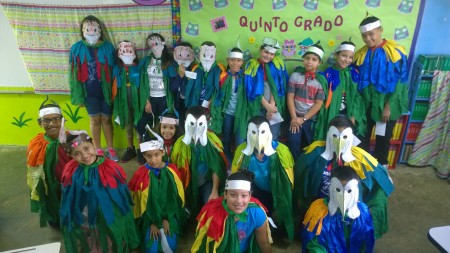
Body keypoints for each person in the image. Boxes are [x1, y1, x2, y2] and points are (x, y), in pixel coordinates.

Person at [293, 116, 394, 239]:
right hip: (321, 211)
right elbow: (301, 181)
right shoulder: (315, 154)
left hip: (348, 215)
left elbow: (378, 187)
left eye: (344, 137)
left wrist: (365, 213)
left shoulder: (361, 161)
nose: (339, 142)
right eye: (335, 136)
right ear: (328, 135)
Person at [60, 131, 140, 253]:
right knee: (91, 235)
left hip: (108, 213)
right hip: (86, 214)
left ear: (93, 144)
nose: (85, 155)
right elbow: (70, 197)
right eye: (77, 153)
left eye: (87, 148)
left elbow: (120, 195)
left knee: (110, 234)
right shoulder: (72, 171)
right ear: (71, 156)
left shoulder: (111, 168)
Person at [354, 15, 408, 167]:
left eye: (371, 34)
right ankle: (362, 168)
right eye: (364, 35)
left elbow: (400, 83)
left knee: (382, 139)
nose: (368, 38)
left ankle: (381, 171)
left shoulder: (395, 53)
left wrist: (388, 106)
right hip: (365, 106)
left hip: (385, 107)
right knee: (361, 137)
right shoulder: (361, 54)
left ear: (380, 30)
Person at [231, 115, 295, 242]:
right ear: (248, 133)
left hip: (277, 192)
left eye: (263, 132)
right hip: (256, 191)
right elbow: (235, 177)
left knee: (277, 226)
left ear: (269, 132)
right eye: (254, 132)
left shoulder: (281, 151)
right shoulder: (242, 151)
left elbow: (288, 182)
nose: (259, 137)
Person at [68, 15, 118, 161]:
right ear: (82, 30)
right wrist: (79, 94)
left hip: (106, 91)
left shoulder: (108, 47)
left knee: (107, 119)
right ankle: (98, 149)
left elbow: (115, 71)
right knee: (95, 120)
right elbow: (73, 73)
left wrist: (116, 91)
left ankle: (111, 148)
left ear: (100, 30)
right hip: (89, 92)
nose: (91, 31)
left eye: (94, 28)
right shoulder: (77, 48)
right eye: (87, 28)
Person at [128, 128, 185, 253]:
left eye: (156, 155)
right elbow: (139, 204)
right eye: (148, 156)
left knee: (169, 248)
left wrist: (167, 218)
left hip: (169, 215)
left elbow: (175, 200)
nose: (153, 160)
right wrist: (151, 223)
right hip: (149, 219)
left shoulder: (172, 171)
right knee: (151, 249)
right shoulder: (140, 175)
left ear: (163, 152)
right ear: (143, 155)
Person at [191, 171, 272, 253]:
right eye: (233, 195)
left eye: (244, 195)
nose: (239, 201)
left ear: (250, 196)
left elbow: (263, 243)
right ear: (225, 194)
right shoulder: (212, 214)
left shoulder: (256, 212)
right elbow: (206, 246)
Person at [301, 166, 375, 252]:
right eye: (338, 190)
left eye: (349, 191)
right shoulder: (318, 211)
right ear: (331, 189)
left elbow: (366, 241)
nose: (344, 196)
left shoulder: (362, 212)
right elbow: (312, 243)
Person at [171, 106, 227, 217]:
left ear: (206, 123)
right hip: (188, 185)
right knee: (185, 215)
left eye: (200, 124)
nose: (196, 128)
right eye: (192, 124)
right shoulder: (179, 145)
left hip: (206, 183)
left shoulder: (212, 142)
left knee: (211, 208)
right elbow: (176, 171)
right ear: (185, 122)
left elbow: (216, 167)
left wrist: (214, 190)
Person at [26, 97, 71, 228]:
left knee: (69, 201)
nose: (51, 124)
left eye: (56, 119)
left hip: (69, 182)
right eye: (46, 120)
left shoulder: (71, 138)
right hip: (49, 184)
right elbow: (33, 168)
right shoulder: (36, 144)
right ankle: (54, 218)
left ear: (62, 120)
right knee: (52, 200)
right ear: (40, 123)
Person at [314, 40, 366, 141]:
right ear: (336, 55)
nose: (347, 60)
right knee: (331, 138)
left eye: (350, 57)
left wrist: (353, 115)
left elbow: (356, 97)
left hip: (347, 115)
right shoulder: (328, 74)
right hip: (332, 114)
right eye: (344, 56)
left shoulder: (353, 73)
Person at [286, 43, 327, 160]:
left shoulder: (321, 81)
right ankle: (294, 167)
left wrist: (303, 119)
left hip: (310, 119)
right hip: (294, 117)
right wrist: (294, 119)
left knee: (309, 144)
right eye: (307, 58)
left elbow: (319, 103)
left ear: (319, 63)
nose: (310, 61)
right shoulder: (295, 76)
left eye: (314, 59)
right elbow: (290, 97)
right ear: (303, 59)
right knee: (293, 142)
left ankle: (304, 167)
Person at [243, 37, 289, 141]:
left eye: (272, 54)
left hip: (273, 108)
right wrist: (266, 105)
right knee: (257, 135)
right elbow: (252, 88)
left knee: (273, 135)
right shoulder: (252, 65)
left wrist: (271, 107)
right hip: (258, 106)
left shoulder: (276, 65)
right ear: (260, 50)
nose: (268, 56)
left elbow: (276, 86)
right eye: (266, 52)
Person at [210, 47, 247, 165]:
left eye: (238, 60)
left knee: (240, 140)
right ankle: (228, 162)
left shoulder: (246, 77)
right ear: (227, 60)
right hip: (227, 113)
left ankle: (238, 163)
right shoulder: (223, 76)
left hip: (240, 114)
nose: (235, 63)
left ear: (242, 62)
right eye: (232, 60)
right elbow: (217, 93)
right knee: (226, 138)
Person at [137, 33, 178, 139]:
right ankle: (150, 145)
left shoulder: (169, 62)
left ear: (163, 44)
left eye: (156, 43)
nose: (154, 46)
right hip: (150, 98)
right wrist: (146, 101)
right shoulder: (146, 61)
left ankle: (162, 150)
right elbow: (142, 82)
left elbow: (174, 83)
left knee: (162, 126)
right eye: (151, 44)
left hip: (164, 99)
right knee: (141, 124)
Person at [112, 40, 144, 163]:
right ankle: (131, 149)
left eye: (129, 51)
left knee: (139, 125)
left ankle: (141, 149)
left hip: (138, 103)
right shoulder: (117, 68)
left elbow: (143, 85)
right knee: (128, 125)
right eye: (123, 51)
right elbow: (114, 86)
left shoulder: (139, 67)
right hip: (123, 103)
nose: (127, 53)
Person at [184, 41, 226, 112]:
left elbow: (222, 88)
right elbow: (190, 86)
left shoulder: (220, 70)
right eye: (204, 54)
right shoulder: (195, 68)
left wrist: (213, 100)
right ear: (200, 53)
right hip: (196, 102)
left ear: (215, 55)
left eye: (211, 55)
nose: (207, 58)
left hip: (211, 104)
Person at [171, 41, 196, 126]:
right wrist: (180, 76)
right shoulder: (173, 69)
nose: (184, 59)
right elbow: (172, 88)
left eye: (187, 55)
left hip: (191, 102)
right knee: (181, 124)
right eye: (180, 55)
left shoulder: (195, 69)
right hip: (179, 102)